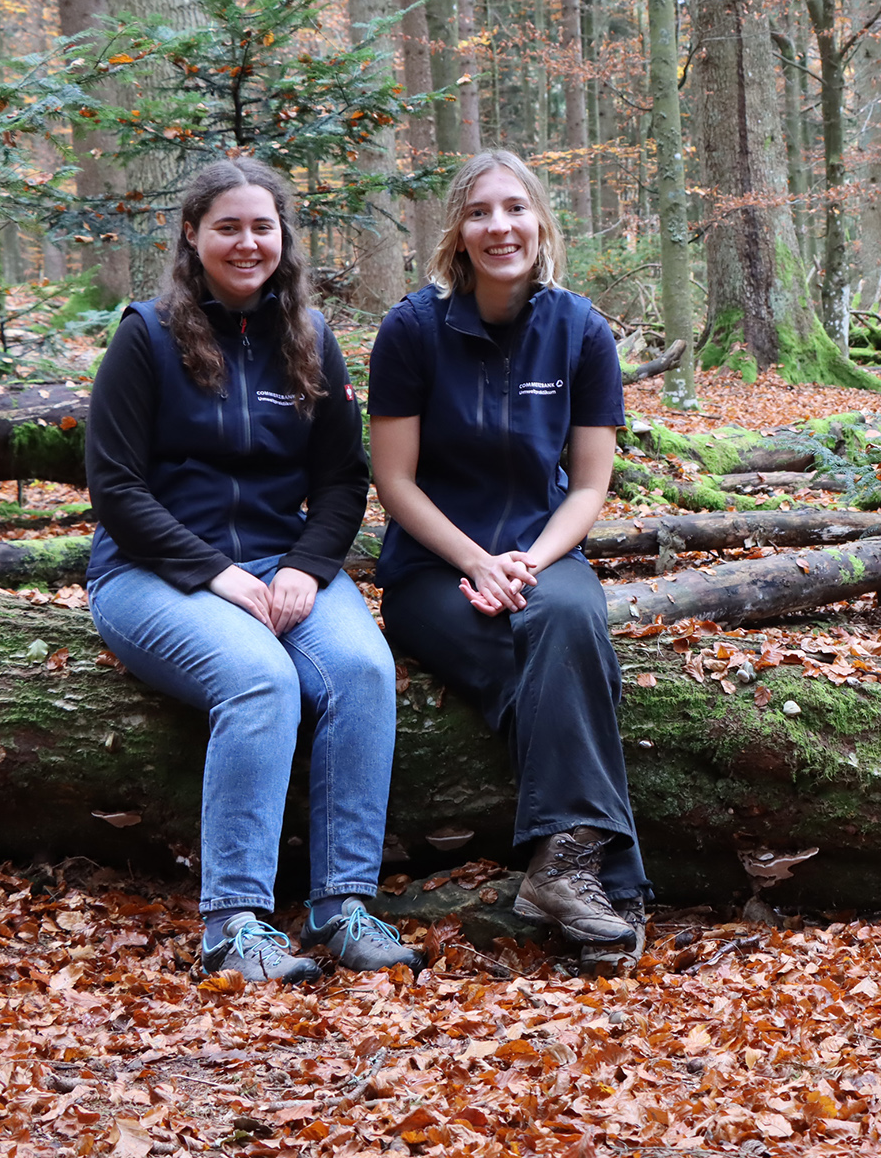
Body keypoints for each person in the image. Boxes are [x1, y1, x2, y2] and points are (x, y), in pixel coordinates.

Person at [84, 157, 424, 983]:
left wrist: (310, 566)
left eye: (261, 227)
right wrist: (215, 575)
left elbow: (344, 481)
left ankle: (343, 907)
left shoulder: (308, 339)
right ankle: (234, 925)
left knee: (361, 669)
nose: (246, 243)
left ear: (284, 238)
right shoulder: (147, 335)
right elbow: (116, 487)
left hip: (284, 563)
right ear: (193, 234)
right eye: (227, 227)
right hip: (150, 574)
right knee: (261, 679)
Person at [369, 149, 648, 950]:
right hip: (433, 572)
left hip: (544, 554)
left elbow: (590, 486)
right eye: (482, 212)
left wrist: (529, 558)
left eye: (516, 209)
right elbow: (394, 482)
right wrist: (475, 562)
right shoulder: (411, 331)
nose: (501, 227)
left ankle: (561, 876)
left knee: (568, 623)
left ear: (541, 223)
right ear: (458, 232)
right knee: (563, 672)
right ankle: (601, 885)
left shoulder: (582, 330)